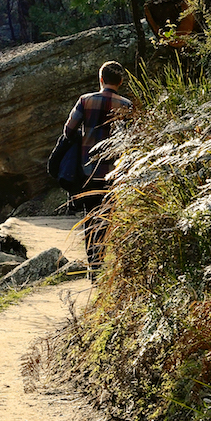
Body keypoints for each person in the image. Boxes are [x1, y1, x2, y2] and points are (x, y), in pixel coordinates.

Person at [60, 60, 132, 269]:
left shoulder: (85, 101)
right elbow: (131, 137)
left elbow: (68, 131)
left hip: (87, 171)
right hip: (113, 173)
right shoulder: (126, 105)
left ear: (101, 79)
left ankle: (94, 266)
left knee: (90, 218)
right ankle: (102, 262)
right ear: (120, 81)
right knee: (106, 218)